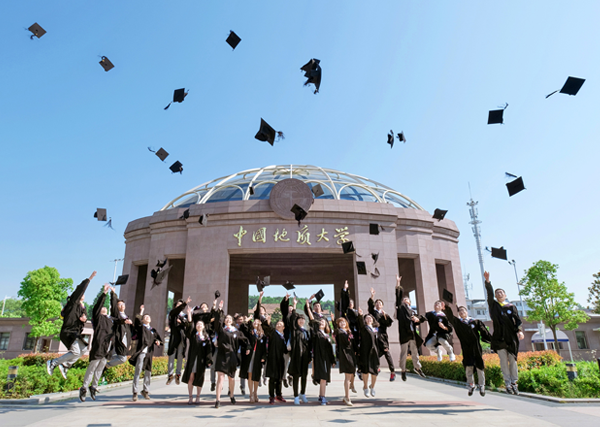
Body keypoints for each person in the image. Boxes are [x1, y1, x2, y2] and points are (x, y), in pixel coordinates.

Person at [47, 271, 96, 379]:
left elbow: (82, 318)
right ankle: (53, 362)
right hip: (68, 332)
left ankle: (65, 365)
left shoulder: (82, 308)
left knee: (84, 349)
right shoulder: (73, 303)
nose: (83, 295)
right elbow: (79, 290)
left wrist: (83, 319)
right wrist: (89, 280)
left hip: (76, 333)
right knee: (75, 352)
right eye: (81, 294)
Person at [484, 271, 524, 395]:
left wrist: (520, 331)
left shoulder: (511, 307)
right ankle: (507, 383)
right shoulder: (493, 305)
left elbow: (517, 320)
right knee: (503, 361)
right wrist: (488, 282)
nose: (499, 294)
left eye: (501, 292)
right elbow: (489, 294)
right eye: (497, 293)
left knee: (513, 360)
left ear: (505, 295)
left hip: (511, 337)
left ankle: (514, 382)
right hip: (499, 337)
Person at [444, 304, 491, 396]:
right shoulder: (458, 323)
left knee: (479, 366)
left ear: (467, 312)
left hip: (476, 347)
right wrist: (446, 307)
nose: (462, 312)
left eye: (463, 310)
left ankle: (482, 385)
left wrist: (492, 340)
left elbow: (484, 331)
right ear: (458, 313)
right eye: (460, 311)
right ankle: (471, 385)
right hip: (466, 348)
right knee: (468, 366)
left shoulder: (475, 322)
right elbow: (450, 317)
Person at [79, 283, 116, 402]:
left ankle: (94, 387)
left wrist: (113, 294)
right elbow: (97, 306)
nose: (104, 308)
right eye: (102, 308)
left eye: (105, 308)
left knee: (100, 369)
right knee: (92, 367)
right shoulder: (98, 318)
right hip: (98, 347)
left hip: (107, 349)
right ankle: (84, 388)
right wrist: (104, 293)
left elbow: (115, 310)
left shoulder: (111, 320)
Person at [213, 301, 248, 408]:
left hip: (232, 356)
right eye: (226, 318)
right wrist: (219, 309)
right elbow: (217, 322)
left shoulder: (236, 332)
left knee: (231, 378)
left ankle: (232, 395)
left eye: (230, 318)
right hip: (222, 356)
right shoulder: (221, 330)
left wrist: (248, 348)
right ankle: (218, 400)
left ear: (232, 321)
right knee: (220, 378)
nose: (228, 320)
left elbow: (245, 340)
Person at [394, 275, 426, 380]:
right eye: (404, 299)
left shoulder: (412, 311)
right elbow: (398, 296)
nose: (405, 299)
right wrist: (398, 283)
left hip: (412, 334)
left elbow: (420, 319)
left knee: (415, 352)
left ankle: (417, 368)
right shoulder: (401, 308)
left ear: (410, 302)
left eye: (407, 299)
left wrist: (417, 319)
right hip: (404, 333)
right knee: (404, 353)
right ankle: (403, 370)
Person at [129, 305, 163, 401]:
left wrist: (157, 342)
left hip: (149, 353)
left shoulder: (153, 330)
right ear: (143, 320)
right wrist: (141, 311)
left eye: (148, 317)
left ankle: (145, 391)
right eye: (145, 317)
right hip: (142, 352)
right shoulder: (141, 328)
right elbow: (137, 321)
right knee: (138, 371)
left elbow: (159, 340)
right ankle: (135, 392)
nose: (147, 318)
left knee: (148, 372)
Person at [182, 306, 213, 404]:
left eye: (201, 324)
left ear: (204, 326)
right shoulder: (192, 334)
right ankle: (190, 397)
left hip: (201, 360)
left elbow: (209, 349)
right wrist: (189, 314)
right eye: (198, 324)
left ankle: (198, 397)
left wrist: (209, 360)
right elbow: (189, 325)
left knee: (199, 378)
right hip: (192, 359)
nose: (199, 325)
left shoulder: (206, 337)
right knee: (191, 377)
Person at [306, 306, 335, 406]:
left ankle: (321, 395)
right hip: (320, 358)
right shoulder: (316, 333)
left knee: (325, 378)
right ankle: (322, 397)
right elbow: (312, 321)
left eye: (324, 322)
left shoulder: (327, 335)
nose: (322, 322)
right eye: (320, 322)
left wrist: (333, 360)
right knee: (323, 377)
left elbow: (330, 349)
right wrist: (308, 308)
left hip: (326, 359)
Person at [368, 287, 396, 381]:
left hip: (383, 337)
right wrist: (372, 296)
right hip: (375, 336)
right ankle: (377, 367)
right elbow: (370, 306)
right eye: (376, 303)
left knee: (387, 352)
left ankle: (392, 372)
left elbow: (389, 324)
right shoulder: (373, 313)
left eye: (379, 303)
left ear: (382, 305)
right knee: (375, 353)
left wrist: (384, 316)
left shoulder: (385, 314)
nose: (378, 304)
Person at [287, 297, 312, 405]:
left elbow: (309, 345)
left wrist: (309, 356)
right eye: (299, 319)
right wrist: (294, 305)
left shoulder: (306, 332)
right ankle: (296, 396)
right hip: (296, 356)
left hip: (305, 357)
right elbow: (293, 318)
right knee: (296, 376)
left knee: (304, 376)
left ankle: (303, 393)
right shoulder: (295, 331)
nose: (301, 320)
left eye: (303, 319)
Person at [261, 313, 288, 404]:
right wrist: (268, 321)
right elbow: (267, 328)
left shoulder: (283, 337)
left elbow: (285, 350)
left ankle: (279, 395)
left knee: (279, 378)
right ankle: (271, 396)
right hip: (272, 359)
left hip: (280, 360)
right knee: (272, 378)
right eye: (277, 324)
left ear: (283, 328)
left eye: (280, 324)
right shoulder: (273, 333)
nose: (278, 325)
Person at [331, 312, 356, 406]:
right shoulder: (339, 332)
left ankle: (348, 392)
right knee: (347, 376)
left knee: (351, 374)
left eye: (344, 322)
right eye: (340, 322)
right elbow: (335, 331)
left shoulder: (348, 331)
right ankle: (347, 397)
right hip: (344, 354)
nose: (342, 323)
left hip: (351, 354)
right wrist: (333, 321)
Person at [105, 289, 133, 368]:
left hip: (124, 340)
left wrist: (129, 343)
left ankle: (105, 361)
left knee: (119, 357)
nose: (122, 305)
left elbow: (128, 332)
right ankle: (106, 365)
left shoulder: (126, 316)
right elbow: (113, 304)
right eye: (119, 304)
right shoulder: (116, 314)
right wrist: (113, 293)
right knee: (122, 358)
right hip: (118, 338)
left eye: (123, 304)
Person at [166, 297, 191, 385]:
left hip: (182, 338)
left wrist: (182, 322)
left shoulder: (184, 315)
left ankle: (178, 374)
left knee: (180, 356)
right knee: (171, 355)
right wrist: (185, 303)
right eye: (178, 304)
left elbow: (188, 324)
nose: (179, 306)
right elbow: (176, 312)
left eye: (181, 305)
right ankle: (170, 375)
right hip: (174, 337)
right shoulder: (173, 313)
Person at [357, 308, 379, 397]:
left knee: (375, 370)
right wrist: (361, 315)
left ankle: (372, 387)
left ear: (373, 320)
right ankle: (365, 387)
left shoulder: (376, 329)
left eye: (370, 318)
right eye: (367, 318)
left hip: (374, 352)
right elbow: (361, 323)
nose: (369, 319)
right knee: (365, 370)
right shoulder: (364, 328)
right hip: (365, 351)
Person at [246, 318, 267, 403]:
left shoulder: (262, 335)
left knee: (257, 375)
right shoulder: (250, 332)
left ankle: (255, 393)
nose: (255, 323)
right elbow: (246, 341)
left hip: (258, 356)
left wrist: (264, 357)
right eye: (254, 322)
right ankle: (250, 394)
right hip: (250, 356)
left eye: (257, 322)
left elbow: (264, 348)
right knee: (250, 374)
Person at [280, 295, 294, 388]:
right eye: (289, 309)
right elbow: (283, 309)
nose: (290, 310)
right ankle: (284, 377)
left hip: (294, 343)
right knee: (285, 361)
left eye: (292, 309)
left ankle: (291, 376)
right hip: (286, 343)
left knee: (294, 361)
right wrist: (286, 299)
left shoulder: (296, 318)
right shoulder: (285, 317)